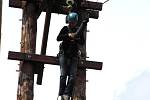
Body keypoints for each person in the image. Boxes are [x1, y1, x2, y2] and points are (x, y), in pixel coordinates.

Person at [57, 12, 89, 100]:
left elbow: (82, 42)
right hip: (64, 54)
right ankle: (61, 94)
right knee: (63, 75)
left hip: (74, 55)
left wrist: (77, 37)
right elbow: (58, 38)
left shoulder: (78, 29)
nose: (72, 24)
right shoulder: (65, 29)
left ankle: (66, 94)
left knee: (72, 77)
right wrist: (68, 35)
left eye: (73, 22)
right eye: (71, 22)